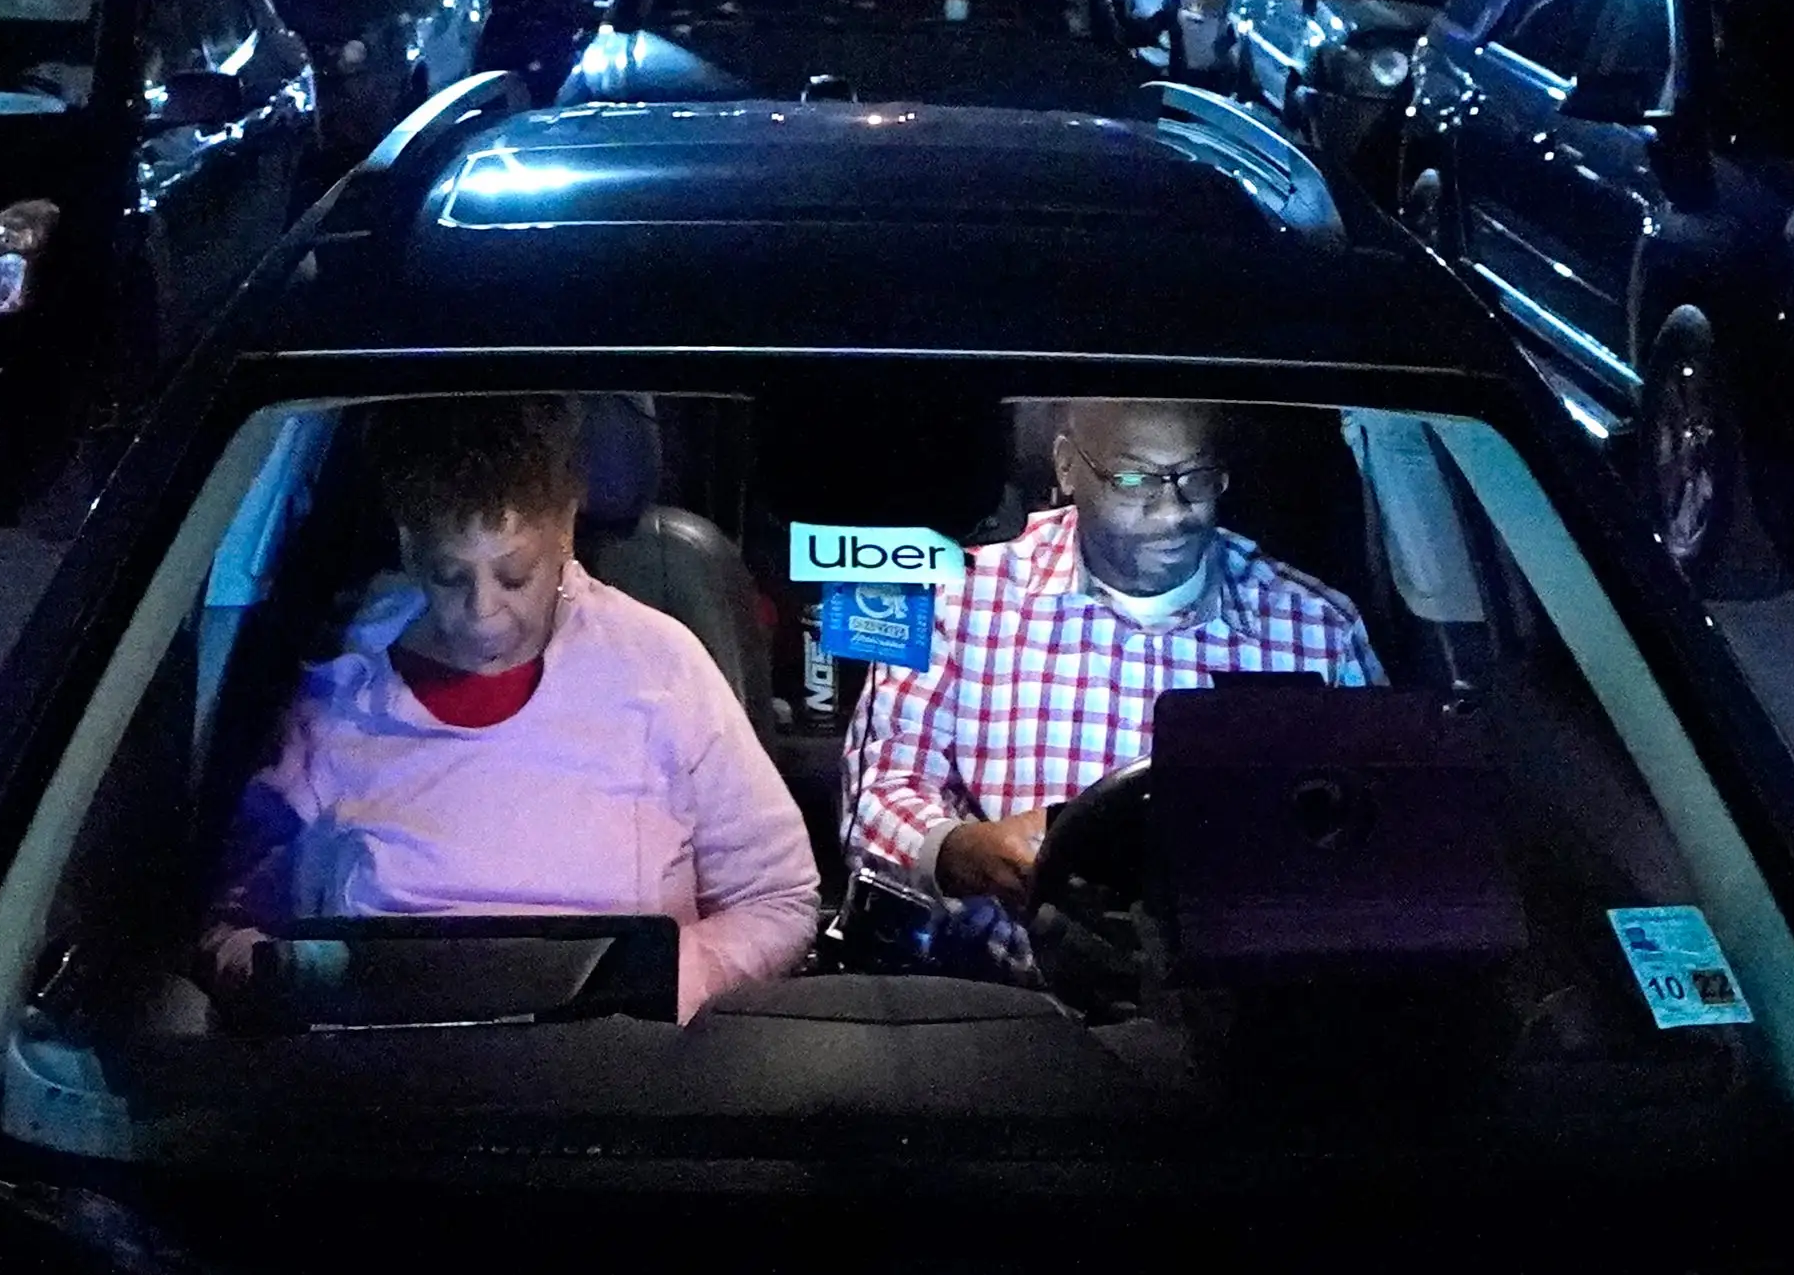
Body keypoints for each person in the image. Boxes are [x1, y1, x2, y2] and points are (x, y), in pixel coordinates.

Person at [212, 394, 817, 1019]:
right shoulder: (340, 687)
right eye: (450, 577)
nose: (482, 614)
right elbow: (233, 922)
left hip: (609, 1068)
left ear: (564, 532)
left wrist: (669, 983)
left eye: (514, 576)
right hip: (389, 1079)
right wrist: (294, 981)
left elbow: (778, 899)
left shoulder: (659, 665)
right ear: (410, 546)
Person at [842, 398, 1381, 913]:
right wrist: (964, 852)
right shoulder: (953, 595)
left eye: (1196, 478)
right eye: (1134, 479)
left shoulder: (1317, 628)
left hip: (1230, 989)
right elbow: (877, 793)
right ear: (1068, 468)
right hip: (1002, 980)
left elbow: (1376, 832)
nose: (1172, 512)